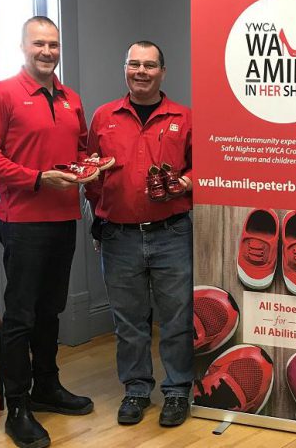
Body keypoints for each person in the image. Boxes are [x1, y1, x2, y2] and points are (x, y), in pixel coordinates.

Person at [0, 16, 93, 448]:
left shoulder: (72, 98)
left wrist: (91, 167)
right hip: (21, 222)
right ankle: (18, 406)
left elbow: (78, 152)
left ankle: (47, 386)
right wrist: (39, 177)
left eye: (54, 44)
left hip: (64, 221)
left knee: (50, 311)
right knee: (20, 315)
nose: (47, 51)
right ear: (23, 47)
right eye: (39, 44)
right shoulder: (0, 94)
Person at [85, 40, 194, 427]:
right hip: (119, 237)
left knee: (177, 319)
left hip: (172, 232)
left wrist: (184, 183)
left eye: (150, 65)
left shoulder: (184, 116)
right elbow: (91, 172)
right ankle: (136, 390)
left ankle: (179, 391)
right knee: (128, 321)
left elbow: (204, 169)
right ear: (125, 69)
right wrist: (100, 217)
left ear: (163, 72)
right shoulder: (103, 117)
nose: (142, 72)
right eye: (135, 64)